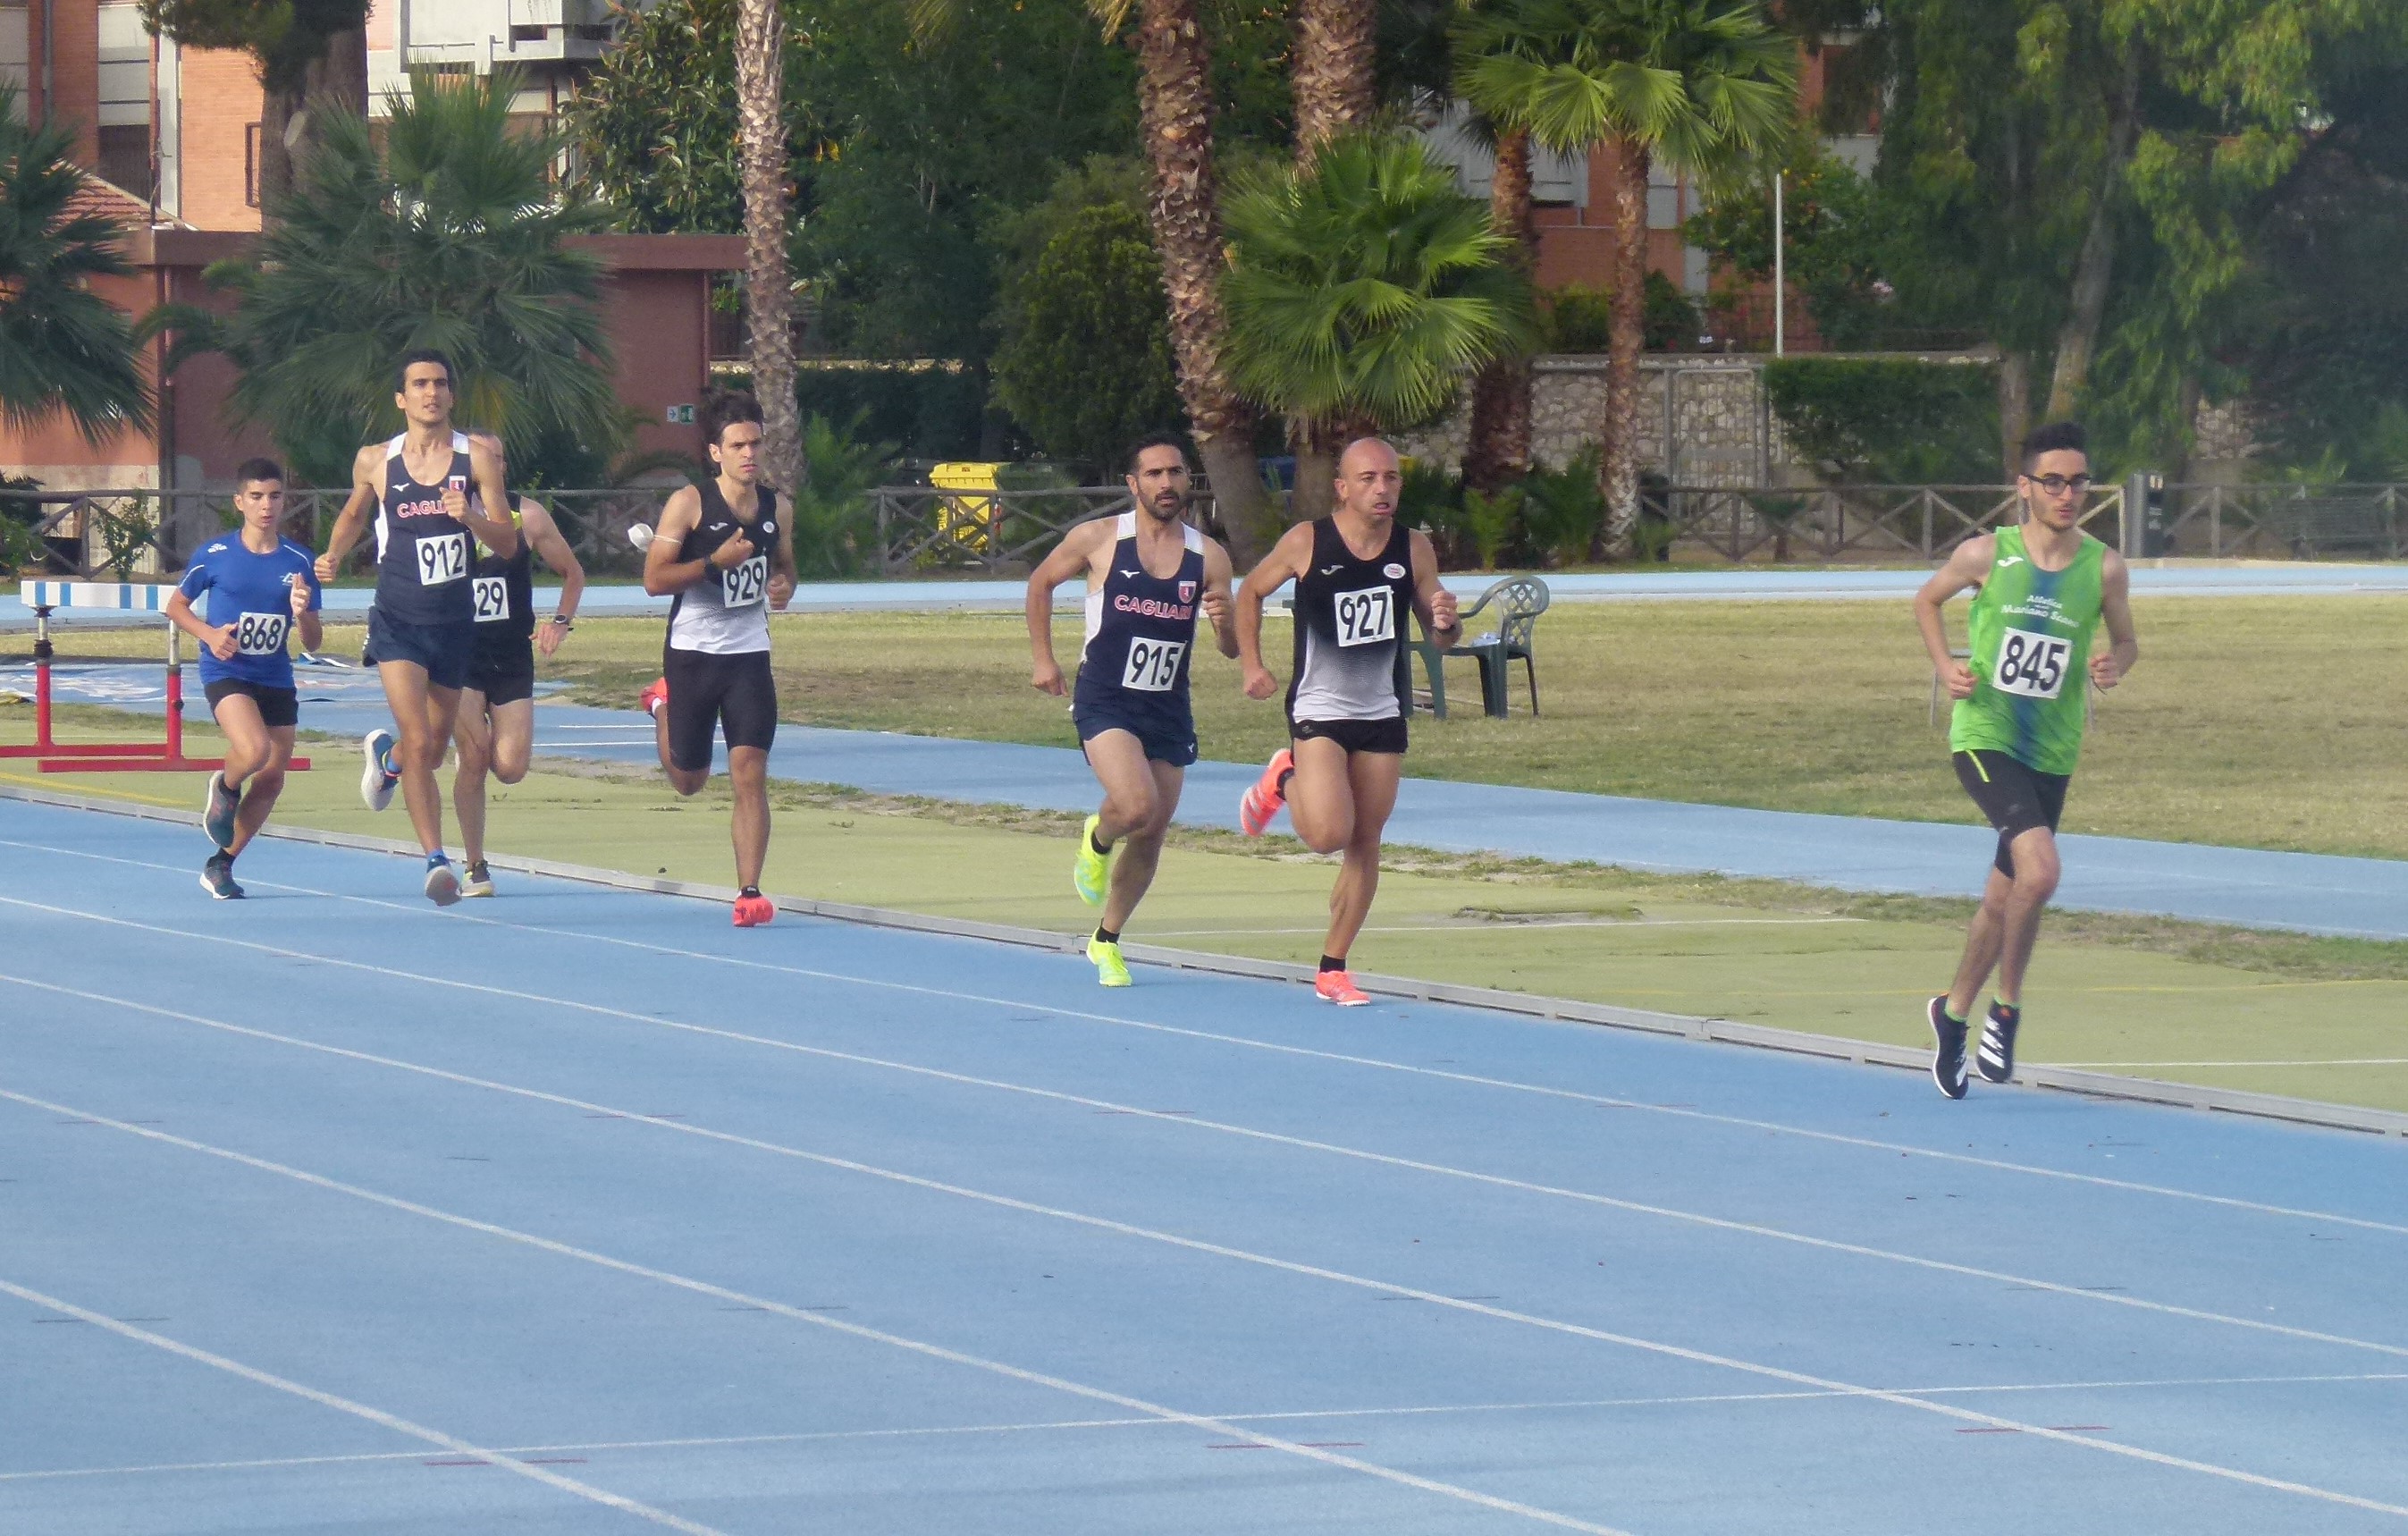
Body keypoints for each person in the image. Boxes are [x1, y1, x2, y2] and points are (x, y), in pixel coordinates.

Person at [1914, 420, 2139, 1099]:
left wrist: (2115, 663)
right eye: (2054, 482)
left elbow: (2128, 642)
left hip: (2053, 748)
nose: (2068, 494)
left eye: (2079, 482)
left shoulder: (2104, 566)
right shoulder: (1986, 554)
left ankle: (1952, 1013)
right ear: (2026, 488)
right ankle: (2006, 1010)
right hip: (1986, 736)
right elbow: (1926, 600)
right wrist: (1945, 666)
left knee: (2004, 895)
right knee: (2040, 871)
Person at [1232, 437, 1460, 1005]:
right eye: (1367, 478)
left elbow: (1439, 636)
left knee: (1365, 840)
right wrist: (1253, 665)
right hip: (1319, 709)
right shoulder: (1307, 541)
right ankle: (1284, 778)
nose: (1382, 489)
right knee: (1328, 835)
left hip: (1381, 710)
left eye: (1391, 478)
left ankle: (1333, 968)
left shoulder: (1414, 547)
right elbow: (1250, 592)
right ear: (1342, 488)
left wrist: (1446, 622)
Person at [1026, 431, 1238, 986]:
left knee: (1152, 830)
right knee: (1136, 805)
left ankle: (1107, 940)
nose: (1166, 483)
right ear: (1133, 483)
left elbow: (1231, 648)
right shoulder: (1099, 538)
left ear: (1188, 480)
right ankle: (1098, 838)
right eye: (1154, 474)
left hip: (1167, 704)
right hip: (1106, 697)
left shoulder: (1209, 556)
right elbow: (1040, 583)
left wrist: (1226, 624)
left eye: (1175, 472)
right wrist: (1044, 659)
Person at [316, 349, 518, 904]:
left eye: (440, 383)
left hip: (453, 623)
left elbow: (507, 542)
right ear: (402, 399)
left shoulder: (477, 459)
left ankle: (388, 762)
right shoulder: (377, 460)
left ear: (452, 395)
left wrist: (469, 516)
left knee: (428, 749)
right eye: (421, 384)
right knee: (421, 737)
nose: (432, 393)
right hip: (397, 619)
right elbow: (354, 513)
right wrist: (332, 555)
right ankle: (435, 861)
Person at [636, 392, 796, 926]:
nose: (749, 454)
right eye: (738, 445)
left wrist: (783, 585)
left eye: (755, 443)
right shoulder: (689, 504)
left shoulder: (777, 507)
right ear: (715, 452)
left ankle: (749, 891)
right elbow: (654, 579)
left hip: (749, 656)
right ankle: (661, 704)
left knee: (749, 771)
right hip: (692, 655)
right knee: (689, 780)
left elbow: (786, 567)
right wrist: (713, 563)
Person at [166, 460, 324, 899]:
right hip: (227, 669)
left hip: (275, 675)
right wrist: (210, 634)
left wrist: (302, 612)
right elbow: (175, 606)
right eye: (256, 497)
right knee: (254, 750)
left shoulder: (299, 561)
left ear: (284, 501)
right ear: (240, 502)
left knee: (272, 777)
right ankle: (226, 784)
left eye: (274, 496)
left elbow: (313, 641)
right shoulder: (215, 554)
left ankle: (222, 863)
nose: (266, 505)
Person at [448, 431, 586, 898]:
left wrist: (560, 623)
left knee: (509, 768)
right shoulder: (441, 515)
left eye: (497, 458)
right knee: (474, 757)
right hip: (459, 653)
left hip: (510, 655)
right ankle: (475, 865)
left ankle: (411, 756)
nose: (488, 465)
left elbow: (573, 573)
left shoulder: (527, 516)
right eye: (478, 458)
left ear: (503, 466)